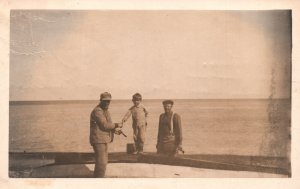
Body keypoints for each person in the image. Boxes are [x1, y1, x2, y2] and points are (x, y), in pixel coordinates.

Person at [89, 92, 122, 178]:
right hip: (98, 141)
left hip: (104, 140)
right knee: (101, 163)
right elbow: (104, 125)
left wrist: (115, 130)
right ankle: (98, 182)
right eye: (105, 101)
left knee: (103, 162)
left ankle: (99, 179)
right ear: (101, 100)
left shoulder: (106, 111)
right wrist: (117, 125)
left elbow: (108, 126)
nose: (107, 103)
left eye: (108, 101)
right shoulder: (97, 111)